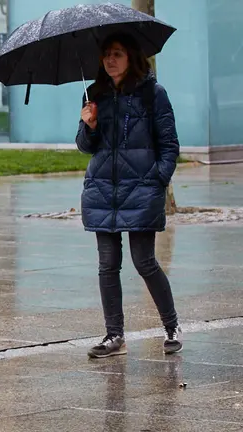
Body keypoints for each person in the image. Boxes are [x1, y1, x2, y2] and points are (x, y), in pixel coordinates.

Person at [76, 32, 182, 359]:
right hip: (102, 191)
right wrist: (89, 125)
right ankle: (114, 335)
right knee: (107, 265)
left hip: (141, 190)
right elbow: (85, 147)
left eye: (117, 53)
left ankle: (172, 326)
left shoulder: (153, 94)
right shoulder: (94, 94)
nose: (110, 60)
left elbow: (169, 145)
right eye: (107, 54)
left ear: (131, 57)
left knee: (144, 262)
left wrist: (157, 180)